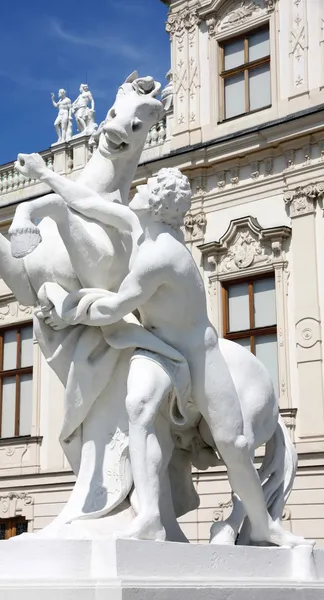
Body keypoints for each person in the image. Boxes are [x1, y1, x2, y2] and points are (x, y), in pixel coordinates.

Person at [38, 167, 304, 546]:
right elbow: (90, 202)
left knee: (235, 445)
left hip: (198, 353)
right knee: (139, 406)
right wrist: (45, 175)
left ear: (157, 205)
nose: (139, 190)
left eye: (146, 189)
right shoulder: (139, 226)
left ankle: (262, 525)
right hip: (157, 347)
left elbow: (112, 310)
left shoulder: (161, 255)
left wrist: (66, 308)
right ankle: (149, 516)